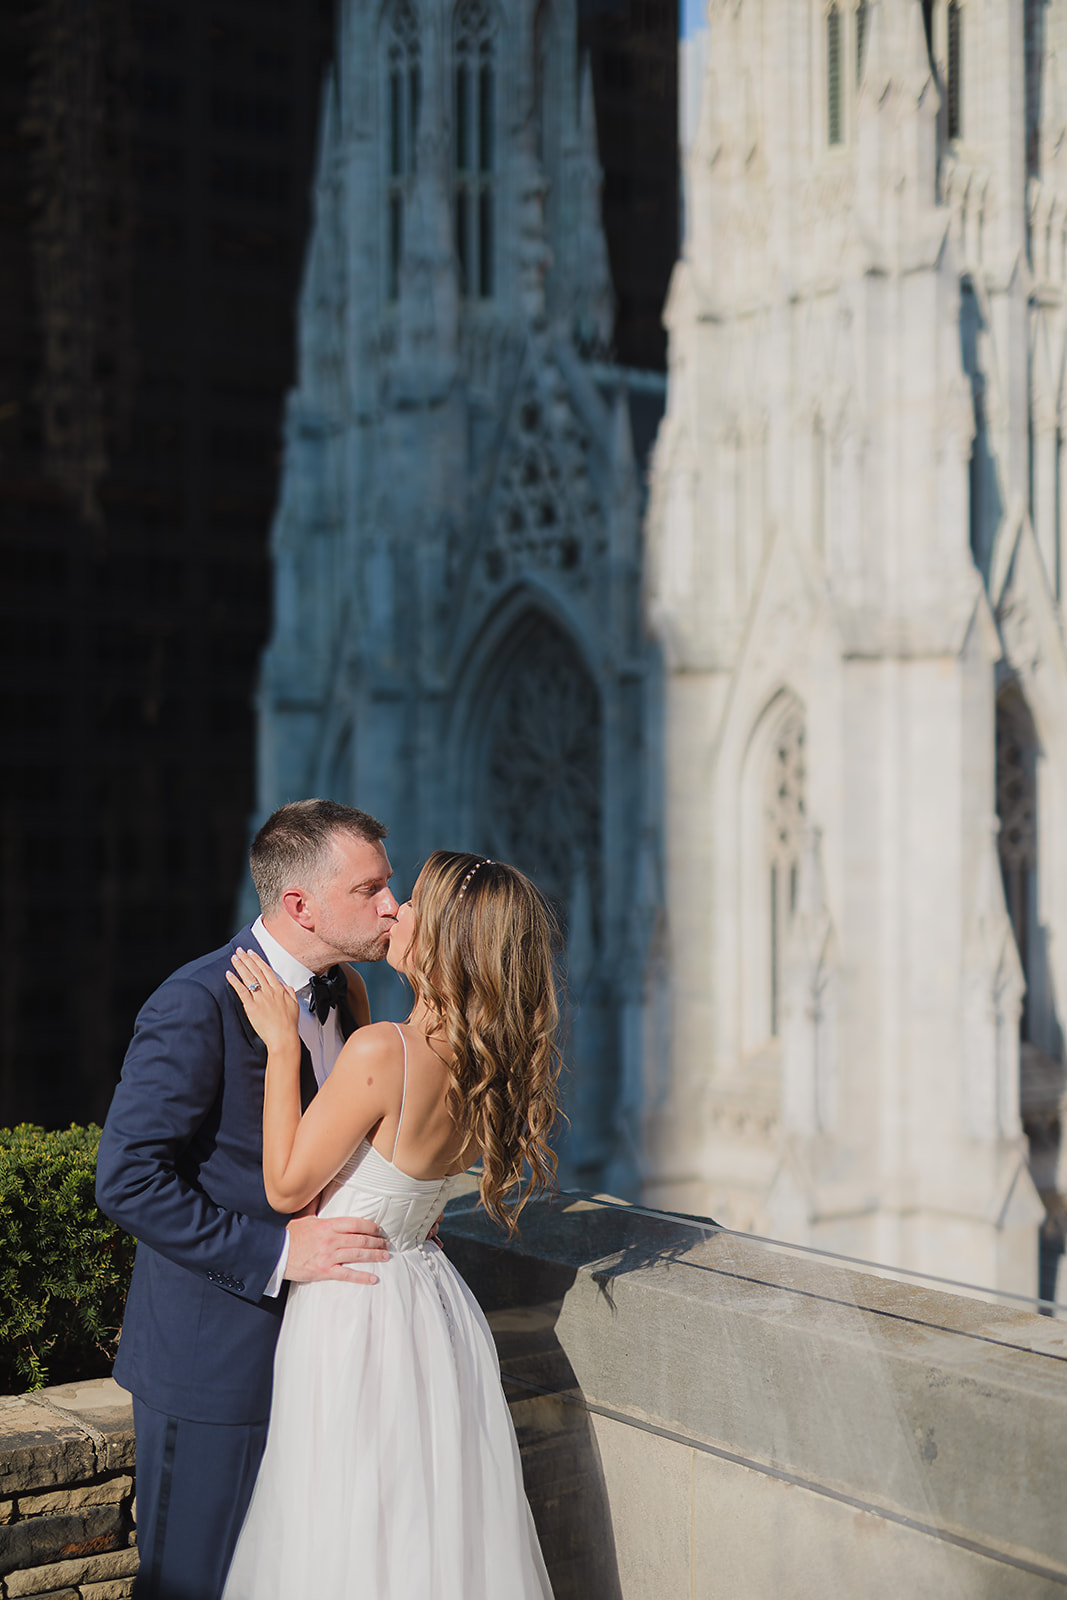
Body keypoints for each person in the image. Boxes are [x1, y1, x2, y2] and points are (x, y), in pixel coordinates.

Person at [220, 850, 561, 1600]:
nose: (394, 910)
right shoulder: (483, 1061)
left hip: (356, 1307)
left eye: (411, 905)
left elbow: (286, 1186)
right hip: (428, 1305)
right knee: (424, 1525)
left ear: (442, 938)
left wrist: (282, 1046)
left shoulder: (383, 1051)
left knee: (347, 1521)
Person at [95, 799, 400, 1600]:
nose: (392, 906)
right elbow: (126, 1179)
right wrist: (275, 1251)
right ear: (301, 904)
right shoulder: (195, 1002)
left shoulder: (348, 995)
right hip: (214, 1366)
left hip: (325, 1350)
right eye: (369, 889)